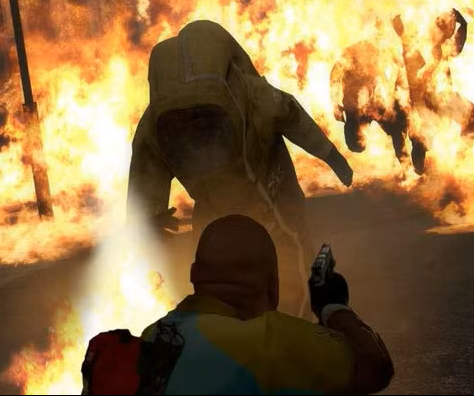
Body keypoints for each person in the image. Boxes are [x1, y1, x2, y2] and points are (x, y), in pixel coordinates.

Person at [127, 20, 354, 318]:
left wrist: (331, 155)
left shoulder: (255, 98)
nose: (198, 134)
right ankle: (247, 323)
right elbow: (145, 172)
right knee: (222, 266)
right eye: (188, 125)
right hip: (219, 202)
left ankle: (295, 320)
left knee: (286, 251)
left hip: (268, 186)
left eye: (203, 121)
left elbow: (292, 116)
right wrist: (148, 220)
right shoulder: (158, 124)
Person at [138, 215, 394, 395]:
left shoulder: (152, 335)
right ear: (273, 288)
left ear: (194, 274)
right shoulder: (272, 338)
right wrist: (333, 307)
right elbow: (374, 367)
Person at [393, 9, 474, 174]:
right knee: (423, 139)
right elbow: (412, 63)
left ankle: (460, 164)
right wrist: (402, 33)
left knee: (472, 116)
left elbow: (456, 47)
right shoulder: (421, 47)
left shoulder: (443, 46)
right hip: (425, 99)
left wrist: (463, 25)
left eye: (449, 28)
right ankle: (418, 168)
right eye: (444, 27)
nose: (448, 31)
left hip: (443, 96)